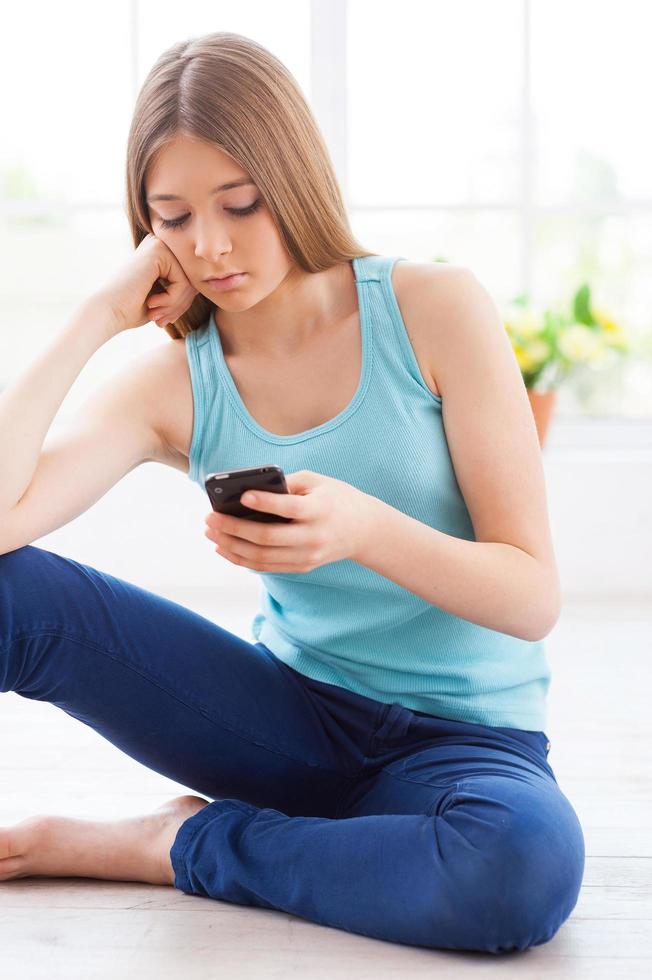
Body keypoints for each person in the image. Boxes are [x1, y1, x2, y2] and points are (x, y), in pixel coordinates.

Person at [0, 32, 585, 953]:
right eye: (175, 218)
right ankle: (267, 836)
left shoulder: (435, 309)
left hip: (461, 747)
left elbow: (531, 596)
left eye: (240, 203)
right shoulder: (177, 381)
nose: (212, 246)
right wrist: (93, 318)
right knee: (12, 592)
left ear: (295, 178)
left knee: (518, 870)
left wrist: (363, 529)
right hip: (283, 725)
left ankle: (179, 842)